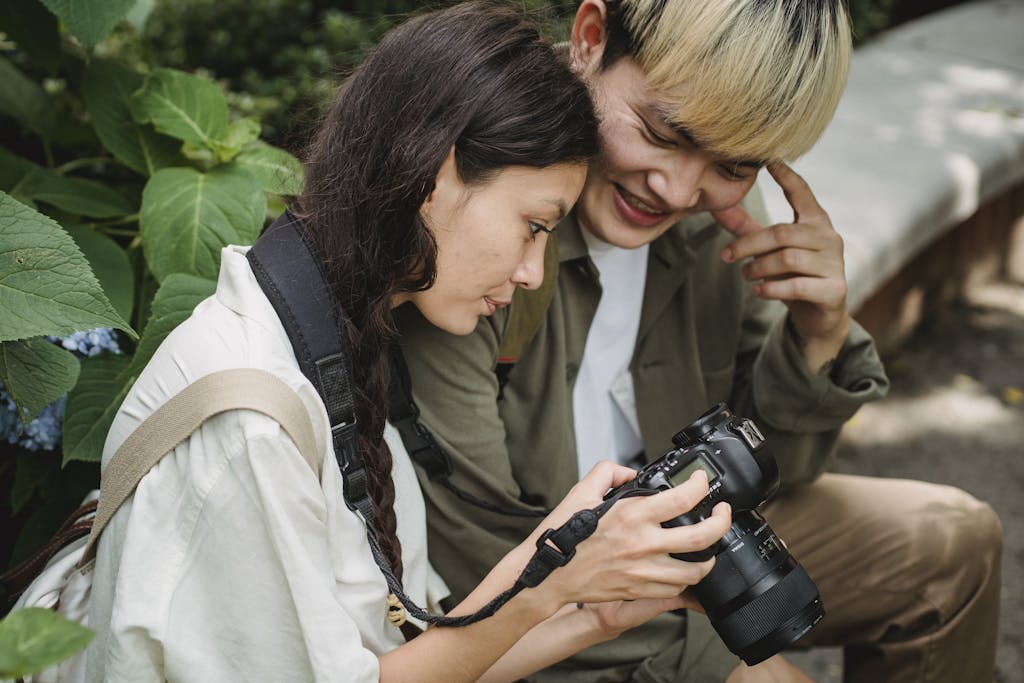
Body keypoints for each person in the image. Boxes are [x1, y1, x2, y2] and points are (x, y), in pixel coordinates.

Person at [84, 4, 744, 682]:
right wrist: (549, 578)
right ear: (438, 172)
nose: (532, 272)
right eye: (534, 226)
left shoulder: (339, 343)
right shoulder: (252, 423)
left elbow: (409, 662)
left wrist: (591, 610)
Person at [395, 1, 1004, 682]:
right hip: (550, 604)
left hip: (689, 543)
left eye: (734, 163)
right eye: (662, 132)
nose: (678, 189)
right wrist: (726, 662)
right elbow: (489, 566)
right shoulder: (486, 245)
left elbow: (785, 470)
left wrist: (818, 334)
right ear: (591, 39)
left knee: (955, 540)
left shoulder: (722, 220)